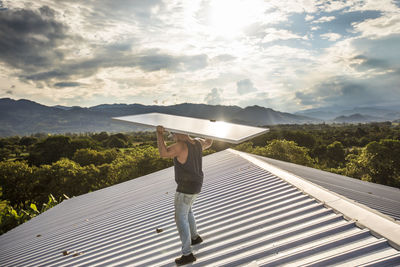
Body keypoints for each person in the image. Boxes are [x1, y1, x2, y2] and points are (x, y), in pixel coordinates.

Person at [156, 126, 212, 266]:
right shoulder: (198, 142)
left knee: (180, 218)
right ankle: (195, 237)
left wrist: (159, 134)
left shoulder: (180, 146)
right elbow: (209, 142)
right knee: (188, 211)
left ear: (178, 132)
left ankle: (187, 254)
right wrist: (210, 127)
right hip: (196, 186)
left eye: (172, 133)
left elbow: (163, 153)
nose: (172, 136)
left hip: (185, 189)